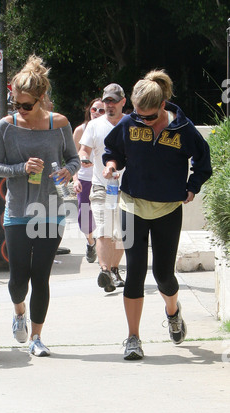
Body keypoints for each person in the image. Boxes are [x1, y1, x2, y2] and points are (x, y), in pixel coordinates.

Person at [103, 70, 212, 360]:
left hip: (167, 209)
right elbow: (114, 150)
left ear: (163, 105)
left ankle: (173, 312)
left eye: (149, 116)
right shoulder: (129, 122)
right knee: (135, 273)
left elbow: (203, 160)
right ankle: (133, 338)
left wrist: (193, 186)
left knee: (164, 275)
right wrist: (111, 165)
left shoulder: (183, 129)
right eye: (138, 114)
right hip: (132, 206)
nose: (143, 120)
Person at [0, 55, 80, 357]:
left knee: (40, 276)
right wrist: (21, 168)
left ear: (41, 99)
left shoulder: (60, 124)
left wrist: (69, 171)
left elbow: (74, 158)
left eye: (26, 105)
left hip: (52, 210)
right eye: (16, 104)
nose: (20, 110)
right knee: (18, 279)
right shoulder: (6, 126)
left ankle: (37, 338)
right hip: (17, 211)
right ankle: (18, 312)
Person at [79, 84, 126, 293]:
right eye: (106, 101)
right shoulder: (95, 125)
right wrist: (83, 158)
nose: (109, 105)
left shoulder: (131, 124)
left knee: (123, 234)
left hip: (128, 188)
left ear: (123, 102)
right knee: (104, 231)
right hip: (101, 186)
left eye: (113, 101)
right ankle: (105, 271)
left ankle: (114, 270)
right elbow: (84, 149)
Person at [73, 98, 105, 263]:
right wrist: (75, 179)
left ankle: (103, 252)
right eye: (94, 110)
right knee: (84, 216)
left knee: (104, 217)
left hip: (101, 180)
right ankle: (90, 242)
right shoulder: (80, 130)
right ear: (89, 111)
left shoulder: (109, 129)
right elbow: (71, 158)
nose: (97, 113)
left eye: (101, 110)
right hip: (84, 179)